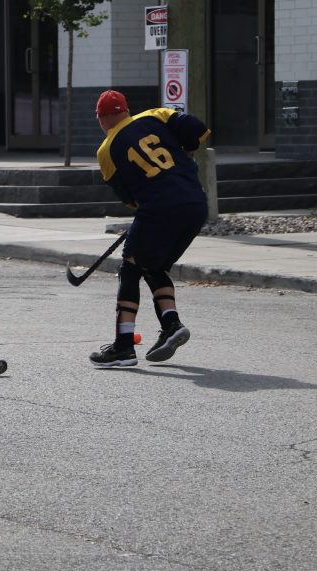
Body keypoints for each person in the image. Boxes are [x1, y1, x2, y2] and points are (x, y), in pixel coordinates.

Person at [89, 89, 211, 367]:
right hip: (194, 204)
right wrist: (188, 153)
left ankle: (123, 347)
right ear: (126, 111)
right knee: (152, 266)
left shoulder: (106, 150)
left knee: (130, 267)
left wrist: (147, 202)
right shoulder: (156, 115)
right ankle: (171, 324)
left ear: (102, 118)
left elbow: (128, 197)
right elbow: (197, 129)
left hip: (158, 210)